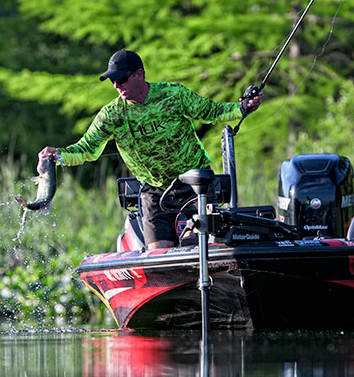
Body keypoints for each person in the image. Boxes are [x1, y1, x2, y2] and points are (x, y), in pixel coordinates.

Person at [39, 49, 263, 250]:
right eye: (112, 81)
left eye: (122, 79)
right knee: (159, 253)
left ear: (140, 74)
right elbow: (87, 149)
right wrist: (56, 156)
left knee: (213, 247)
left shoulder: (173, 94)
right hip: (155, 193)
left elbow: (212, 112)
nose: (117, 85)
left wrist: (243, 107)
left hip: (196, 185)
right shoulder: (111, 115)